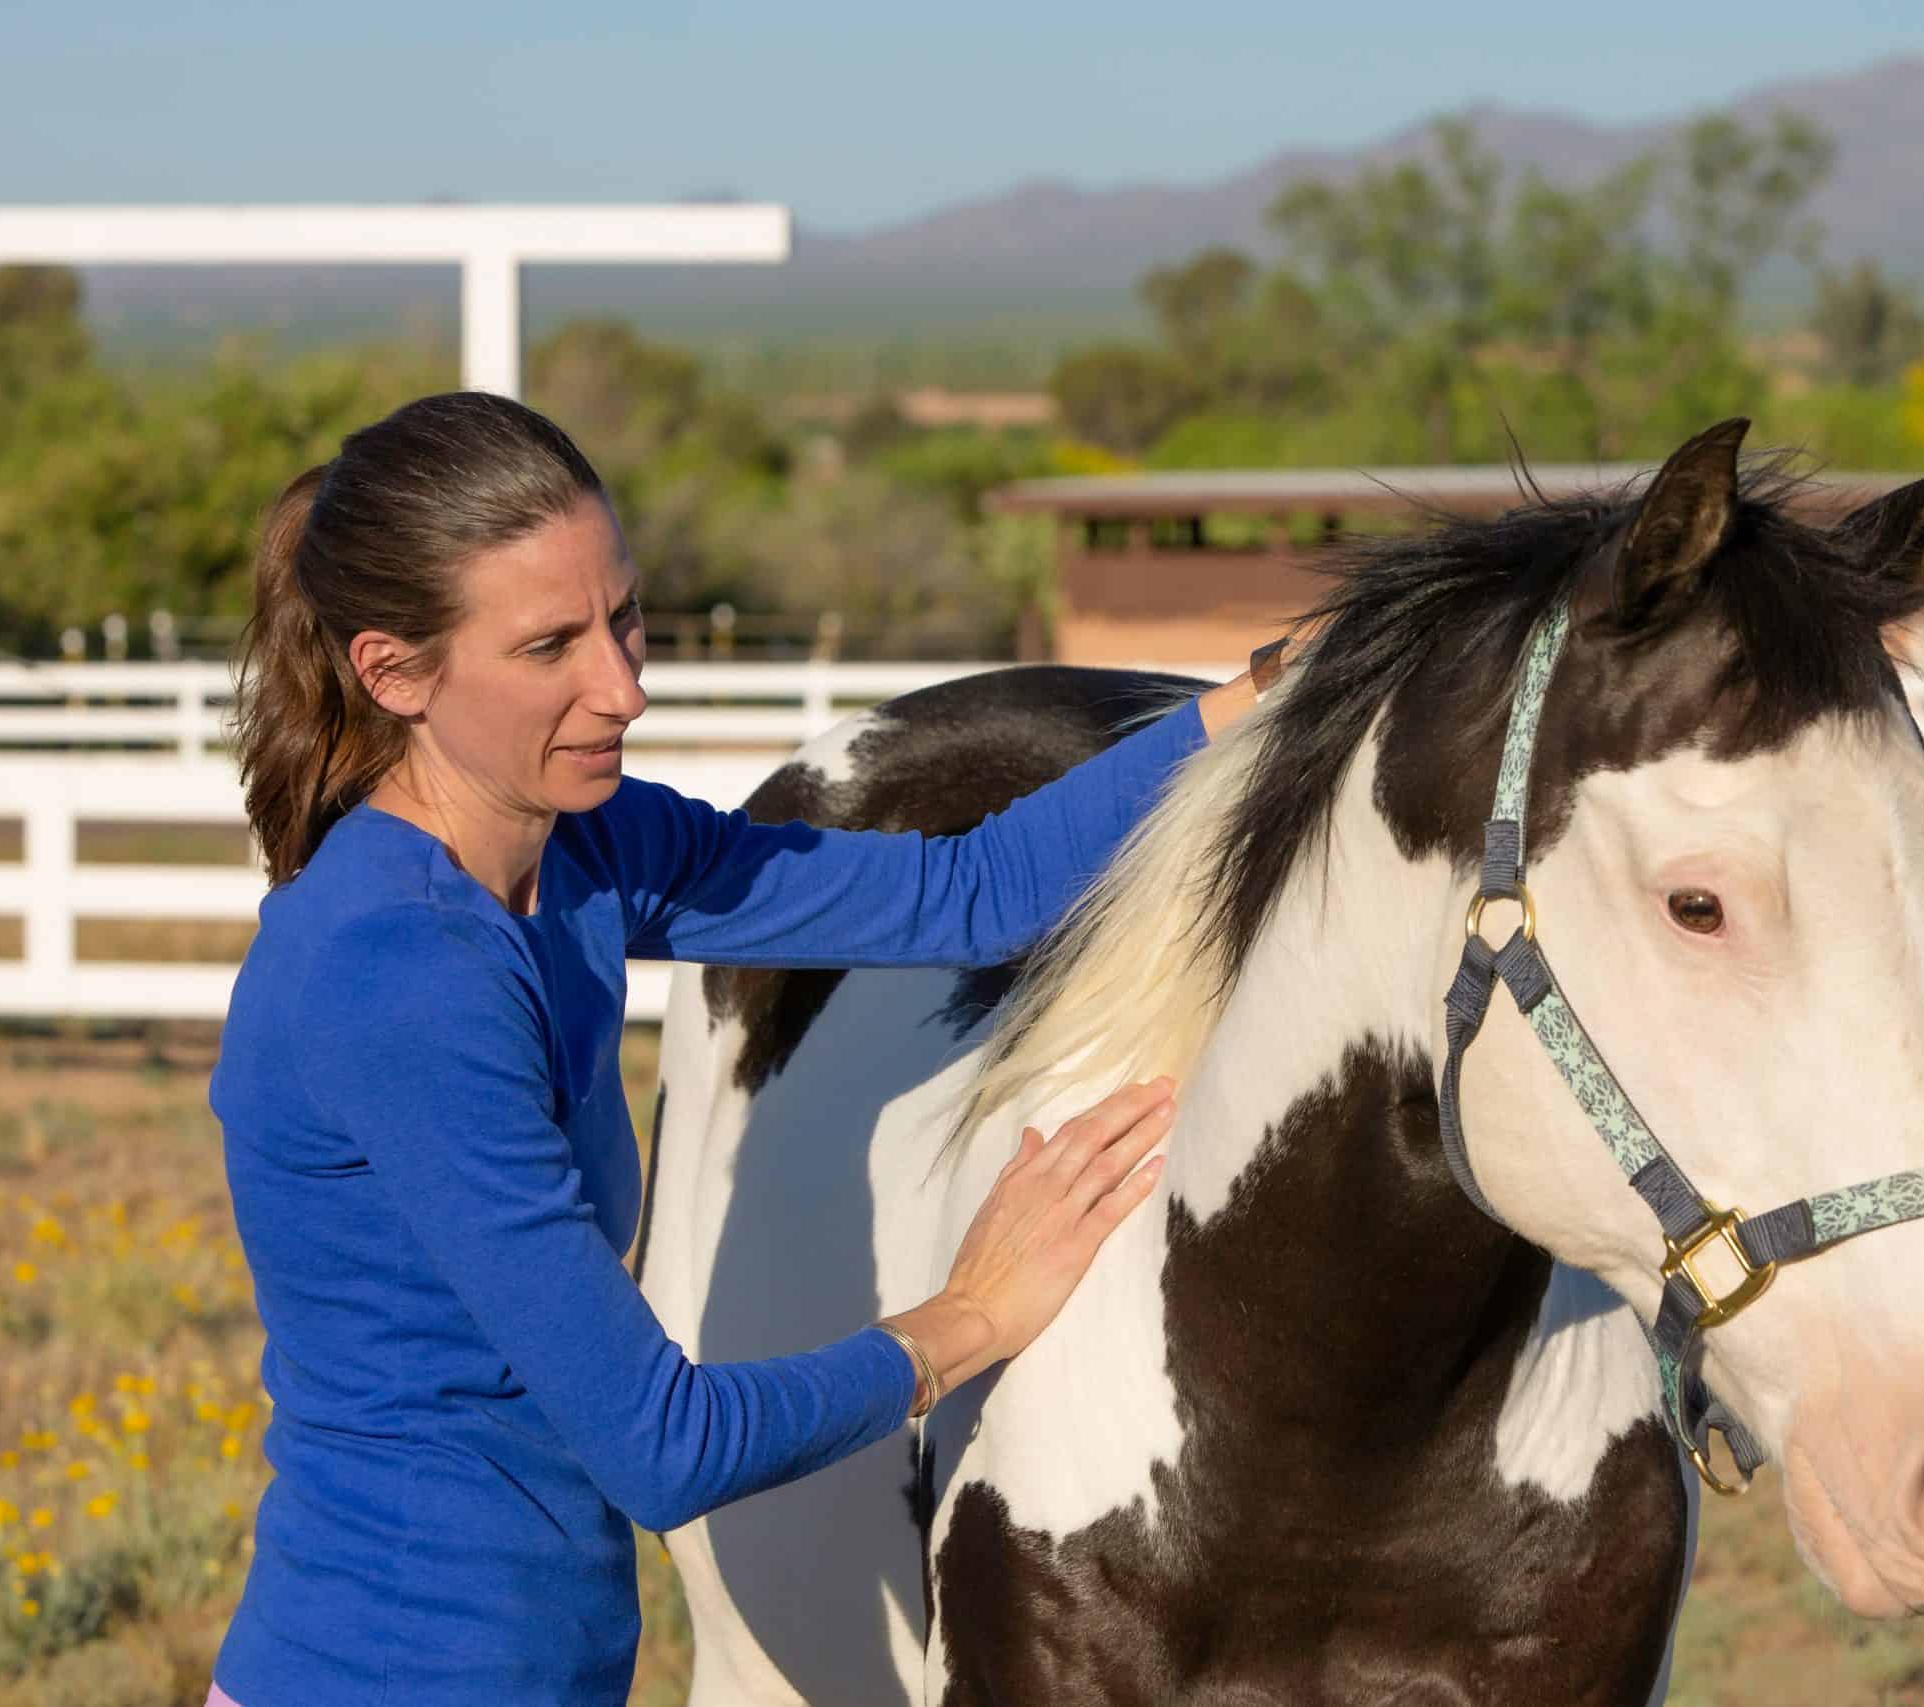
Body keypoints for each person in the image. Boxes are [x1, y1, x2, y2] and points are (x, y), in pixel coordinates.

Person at [200, 391, 1288, 1706]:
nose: (624, 686)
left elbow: (968, 895)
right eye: (551, 645)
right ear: (393, 673)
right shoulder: (394, 977)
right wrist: (974, 1315)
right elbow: (662, 1446)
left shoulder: (585, 847)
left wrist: (1257, 701)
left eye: (624, 615)